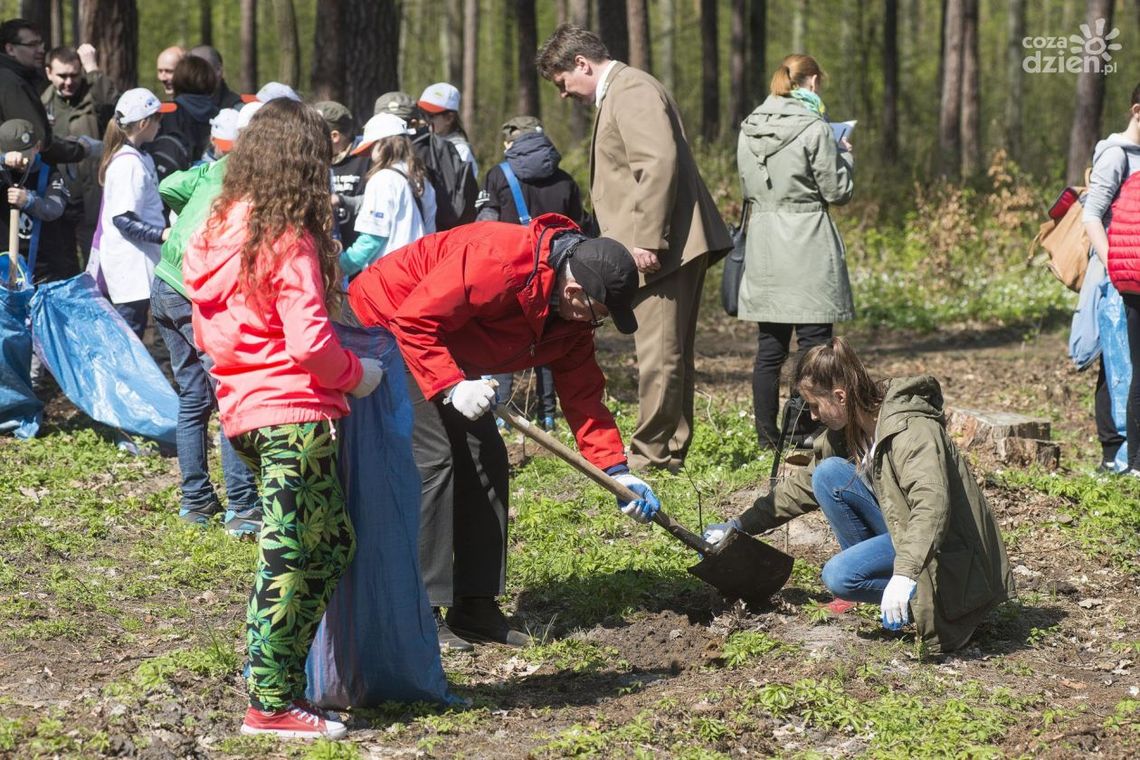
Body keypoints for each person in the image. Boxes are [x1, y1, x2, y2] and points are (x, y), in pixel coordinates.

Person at [347, 214, 663, 651]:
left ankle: (474, 607)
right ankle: (419, 609)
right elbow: (415, 320)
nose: (597, 325)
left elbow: (584, 398)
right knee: (435, 459)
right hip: (387, 324)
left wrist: (617, 471)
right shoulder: (498, 260)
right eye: (600, 315)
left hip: (443, 340)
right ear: (575, 292)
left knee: (487, 457)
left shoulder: (571, 321)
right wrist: (452, 386)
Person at [183, 98, 382, 739]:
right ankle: (269, 702)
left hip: (244, 413)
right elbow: (310, 343)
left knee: (329, 543)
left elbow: (207, 334)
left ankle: (276, 676)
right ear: (303, 163)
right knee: (291, 555)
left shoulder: (216, 231)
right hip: (293, 416)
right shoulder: (285, 237)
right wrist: (358, 374)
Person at [704, 337, 1015, 656]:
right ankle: (893, 596)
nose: (813, 416)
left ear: (840, 396)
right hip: (905, 531)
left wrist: (904, 575)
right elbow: (800, 488)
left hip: (948, 555)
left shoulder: (912, 431)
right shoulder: (849, 429)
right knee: (828, 474)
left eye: (814, 405)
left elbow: (932, 508)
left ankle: (927, 604)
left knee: (839, 576)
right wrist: (738, 526)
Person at [537, 24, 732, 474]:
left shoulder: (631, 90)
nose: (563, 94)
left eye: (563, 82)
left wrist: (647, 237)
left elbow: (656, 163)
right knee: (668, 353)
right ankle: (669, 450)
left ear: (582, 64)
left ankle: (651, 457)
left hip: (663, 249)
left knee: (659, 355)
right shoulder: (623, 91)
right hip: (665, 246)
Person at [737, 54, 855, 451]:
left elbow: (747, 186)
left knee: (770, 348)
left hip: (765, 242)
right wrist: (845, 153)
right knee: (814, 344)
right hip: (807, 241)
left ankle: (767, 437)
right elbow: (837, 190)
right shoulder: (815, 127)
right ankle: (802, 430)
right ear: (813, 81)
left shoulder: (749, 126)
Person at [151, 102, 258, 533]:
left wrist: (193, 211)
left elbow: (169, 185)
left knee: (194, 396)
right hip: (197, 290)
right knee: (228, 392)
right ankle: (243, 505)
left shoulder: (217, 166)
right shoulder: (258, 180)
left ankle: (196, 501)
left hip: (164, 281)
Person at [478, 115, 586, 430]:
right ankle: (548, 415)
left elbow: (484, 227)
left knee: (503, 338)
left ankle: (502, 414)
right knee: (548, 340)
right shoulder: (566, 180)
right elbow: (580, 230)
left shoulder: (497, 175)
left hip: (509, 271)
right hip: (555, 274)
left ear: (512, 143)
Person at [1083, 82, 1140, 474]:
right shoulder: (1116, 154)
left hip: (1131, 273)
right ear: (1137, 111)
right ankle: (1114, 454)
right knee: (1118, 362)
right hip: (1116, 274)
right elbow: (1091, 216)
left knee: (1127, 362)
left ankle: (1121, 454)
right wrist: (1115, 268)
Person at [88, 88, 166, 340]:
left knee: (133, 335)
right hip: (129, 270)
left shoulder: (140, 157)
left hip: (138, 268)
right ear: (143, 123)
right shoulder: (127, 164)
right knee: (126, 340)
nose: (160, 124)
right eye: (158, 118)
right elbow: (122, 219)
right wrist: (163, 234)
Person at [41, 44, 119, 265]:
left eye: (74, 75)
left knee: (95, 262)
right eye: (62, 76)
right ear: (49, 73)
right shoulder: (42, 104)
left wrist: (93, 69)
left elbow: (114, 107)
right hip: (57, 198)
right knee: (62, 263)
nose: (69, 82)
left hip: (92, 198)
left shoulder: (94, 95)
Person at [338, 112, 435, 279]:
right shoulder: (421, 179)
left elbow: (372, 238)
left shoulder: (382, 179)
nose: (370, 156)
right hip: (419, 271)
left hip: (391, 277)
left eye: (371, 148)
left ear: (383, 144)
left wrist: (341, 267)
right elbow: (430, 230)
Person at [374, 90, 476, 231]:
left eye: (431, 115)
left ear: (449, 118)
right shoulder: (427, 146)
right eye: (423, 113)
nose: (426, 120)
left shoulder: (447, 150)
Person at [0, 19, 90, 167]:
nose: (41, 50)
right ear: (10, 49)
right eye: (32, 45)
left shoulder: (14, 78)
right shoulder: (11, 83)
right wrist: (81, 149)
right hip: (19, 175)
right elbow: (37, 142)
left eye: (40, 44)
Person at [0, 118, 68, 283]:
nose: (20, 163)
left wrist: (28, 201)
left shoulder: (50, 174)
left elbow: (54, 208)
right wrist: (2, 161)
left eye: (25, 156)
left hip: (43, 269)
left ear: (37, 147)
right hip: (4, 267)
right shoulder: (2, 172)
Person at [150, 55, 219, 181]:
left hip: (171, 184)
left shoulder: (165, 112)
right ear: (210, 80)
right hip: (211, 183)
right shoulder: (220, 115)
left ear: (178, 80)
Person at [316, 100, 370, 248]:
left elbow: (379, 202)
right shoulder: (314, 161)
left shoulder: (366, 157)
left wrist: (341, 200)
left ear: (334, 136)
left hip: (358, 251)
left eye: (315, 135)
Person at [417, 82, 478, 177]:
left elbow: (464, 184)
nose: (424, 120)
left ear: (449, 118)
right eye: (421, 113)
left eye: (430, 115)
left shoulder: (461, 151)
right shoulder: (420, 142)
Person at [188, 44, 243, 110]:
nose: (193, 74)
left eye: (201, 67)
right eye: (190, 68)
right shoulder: (181, 109)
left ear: (218, 70)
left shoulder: (238, 111)